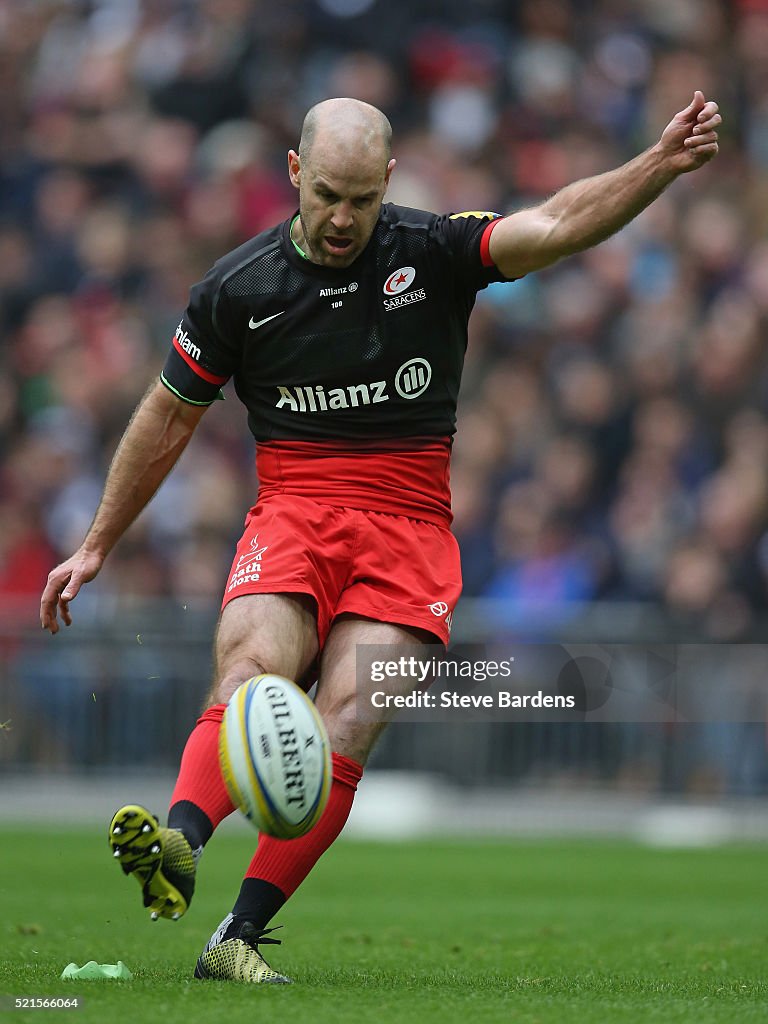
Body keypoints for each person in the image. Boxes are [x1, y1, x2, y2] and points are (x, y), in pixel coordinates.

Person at [40, 93, 721, 983]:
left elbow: (552, 224)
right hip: (291, 510)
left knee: (352, 718)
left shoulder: (432, 250)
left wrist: (658, 165)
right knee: (251, 669)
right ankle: (179, 843)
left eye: (361, 199)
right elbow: (169, 417)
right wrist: (96, 543)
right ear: (294, 173)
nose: (341, 218)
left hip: (407, 528)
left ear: (388, 183)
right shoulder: (236, 290)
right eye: (326, 194)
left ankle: (236, 939)